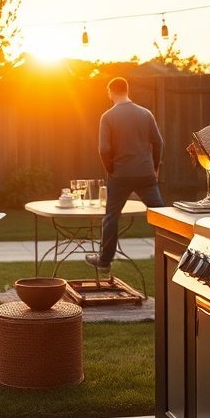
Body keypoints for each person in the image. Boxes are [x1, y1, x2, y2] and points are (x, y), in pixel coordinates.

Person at [86, 77, 164, 276]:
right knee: (163, 216)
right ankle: (172, 254)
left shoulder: (108, 116)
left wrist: (110, 168)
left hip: (120, 174)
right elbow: (159, 142)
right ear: (127, 90)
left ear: (111, 92)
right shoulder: (146, 114)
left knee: (111, 217)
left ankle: (104, 262)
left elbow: (104, 148)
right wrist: (155, 167)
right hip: (145, 173)